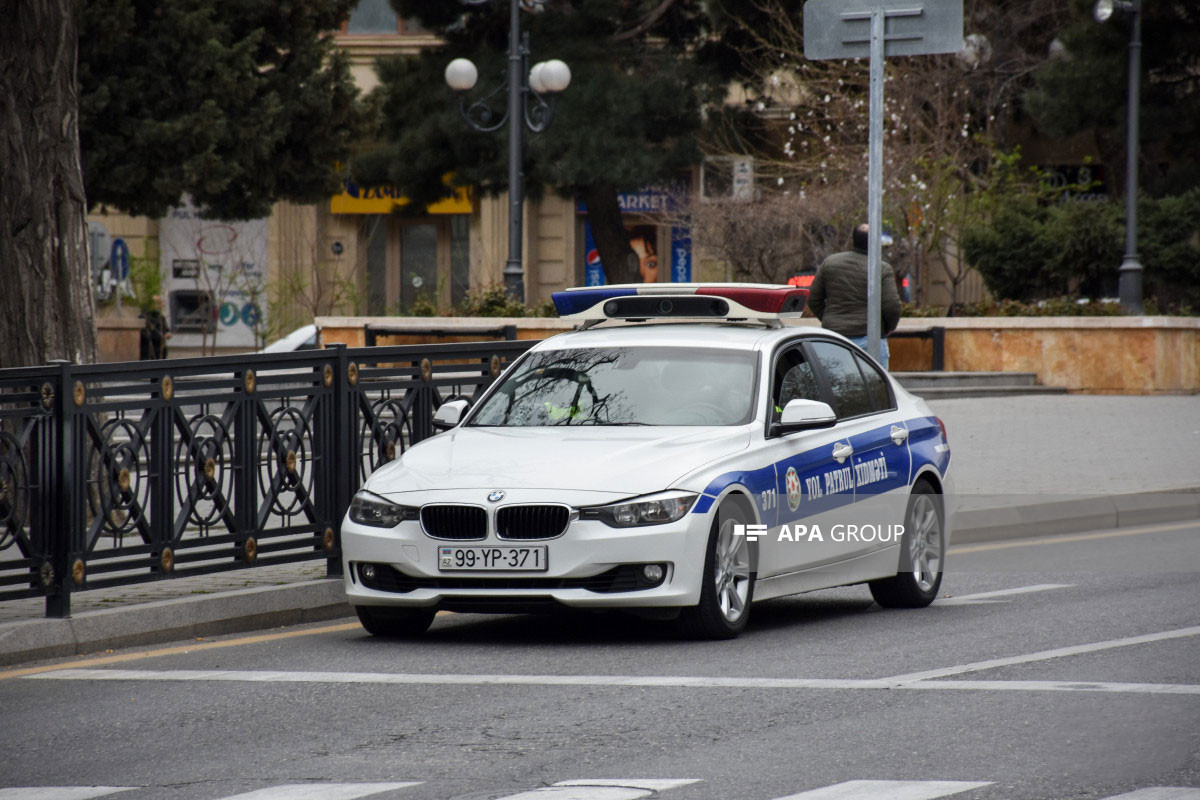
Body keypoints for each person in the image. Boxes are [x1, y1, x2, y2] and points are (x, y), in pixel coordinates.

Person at [806, 223, 901, 369]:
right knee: (875, 383)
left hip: (834, 339)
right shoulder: (881, 268)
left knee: (834, 382)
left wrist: (830, 318)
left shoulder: (830, 263)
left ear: (853, 239)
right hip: (870, 341)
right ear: (875, 242)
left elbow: (813, 299)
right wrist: (888, 327)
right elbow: (892, 306)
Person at [139, 294, 172, 360]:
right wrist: (160, 337)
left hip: (160, 350)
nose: (162, 305)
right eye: (159, 303)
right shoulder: (143, 317)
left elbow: (166, 329)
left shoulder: (161, 317)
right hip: (148, 350)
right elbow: (144, 334)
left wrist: (168, 334)